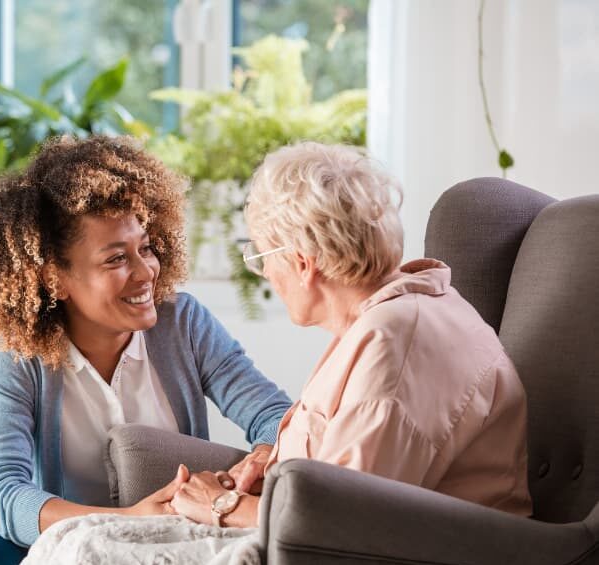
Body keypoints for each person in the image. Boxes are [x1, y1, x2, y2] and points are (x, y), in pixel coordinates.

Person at [0, 135, 293, 563]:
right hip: (65, 546)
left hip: (173, 543)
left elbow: (276, 417)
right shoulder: (16, 351)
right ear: (53, 278)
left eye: (145, 248)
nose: (146, 271)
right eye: (115, 259)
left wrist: (259, 461)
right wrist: (123, 519)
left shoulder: (183, 323)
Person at [169, 141, 532, 529]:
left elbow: (343, 522)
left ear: (302, 262)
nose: (267, 275)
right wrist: (273, 463)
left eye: (261, 257)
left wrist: (223, 506)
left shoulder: (394, 343)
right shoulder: (397, 313)